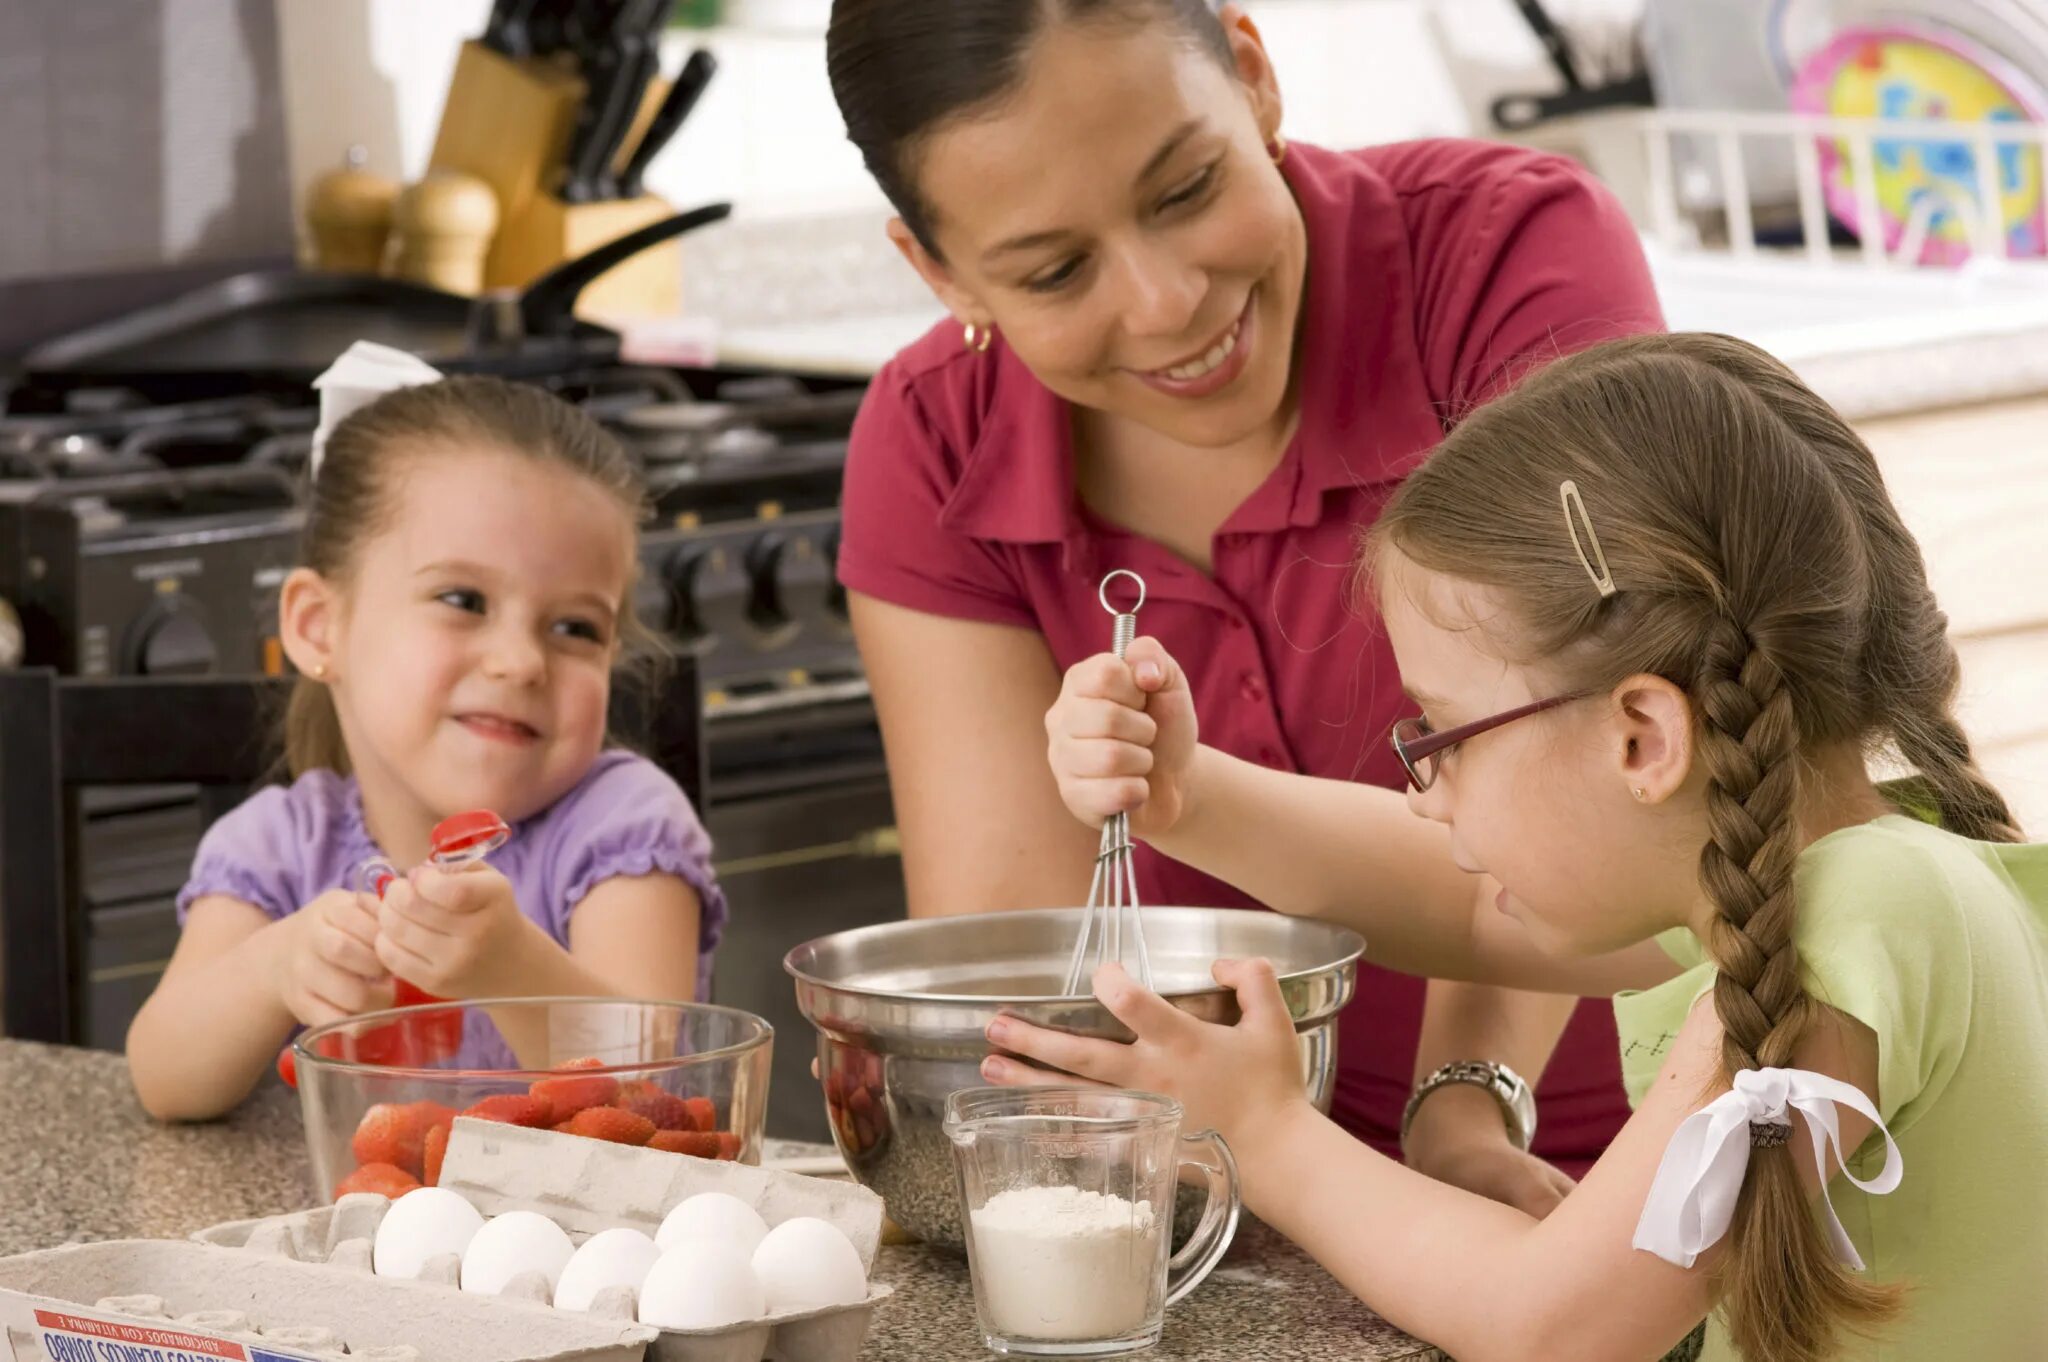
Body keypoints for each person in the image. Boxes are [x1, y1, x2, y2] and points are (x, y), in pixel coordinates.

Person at [1002, 331, 2048, 1360]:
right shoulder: (1873, 874)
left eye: (1440, 734)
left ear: (1642, 737)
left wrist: (1263, 1134)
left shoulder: (1850, 923)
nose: (1423, 796)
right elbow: (1461, 905)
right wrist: (1189, 795)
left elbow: (1547, 1326)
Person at [826, 0, 1666, 1203]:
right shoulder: (930, 444)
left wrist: (1463, 1117)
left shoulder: (1505, 259)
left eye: (1183, 188)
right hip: (1225, 1195)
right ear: (938, 269)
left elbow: (1585, 808)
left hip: (1637, 1156)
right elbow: (1021, 997)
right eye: (1056, 270)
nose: (1166, 300)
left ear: (1253, 77)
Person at [128, 348, 726, 1121]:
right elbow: (165, 1082)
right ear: (320, 628)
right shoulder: (279, 849)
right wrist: (273, 968)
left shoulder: (623, 826)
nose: (519, 662)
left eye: (575, 626)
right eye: (462, 598)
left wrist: (509, 966)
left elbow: (653, 1092)